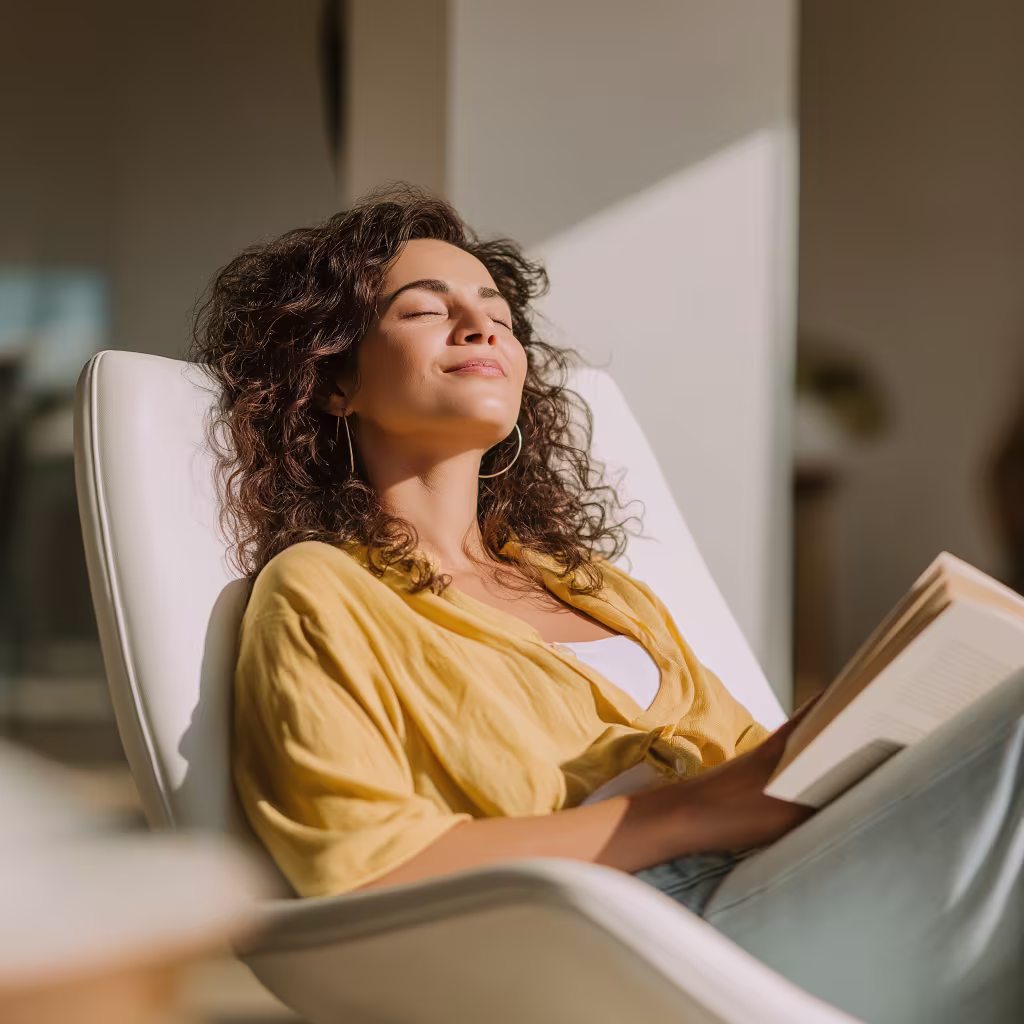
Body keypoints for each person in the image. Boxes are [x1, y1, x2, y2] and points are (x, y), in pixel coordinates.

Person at [192, 184, 1023, 1024]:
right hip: (645, 944)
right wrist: (694, 808)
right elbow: (361, 867)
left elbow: (758, 766)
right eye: (423, 311)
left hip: (782, 879)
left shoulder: (595, 587)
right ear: (336, 381)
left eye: (499, 317)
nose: (482, 327)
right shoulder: (323, 590)